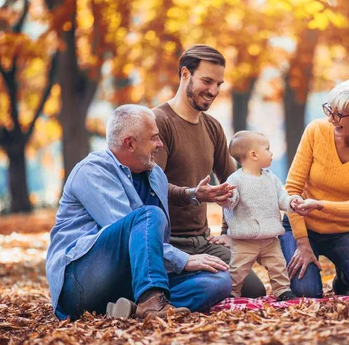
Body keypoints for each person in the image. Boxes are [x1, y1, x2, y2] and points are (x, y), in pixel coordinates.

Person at [46, 104, 232, 321]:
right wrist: (183, 260)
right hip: (79, 282)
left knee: (218, 280)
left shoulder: (156, 177)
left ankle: (133, 308)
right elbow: (130, 233)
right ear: (130, 143)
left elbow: (148, 248)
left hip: (129, 282)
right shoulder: (92, 171)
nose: (160, 144)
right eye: (154, 138)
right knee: (149, 215)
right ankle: (152, 303)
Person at [153, 44, 266, 298]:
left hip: (204, 243)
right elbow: (152, 187)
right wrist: (193, 193)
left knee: (253, 290)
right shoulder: (159, 122)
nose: (213, 91)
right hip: (167, 245)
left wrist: (228, 232)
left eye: (219, 84)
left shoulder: (212, 127)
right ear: (185, 75)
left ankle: (189, 285)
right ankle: (152, 292)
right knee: (221, 286)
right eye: (207, 81)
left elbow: (234, 183)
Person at [279, 78, 349, 297]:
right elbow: (292, 188)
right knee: (307, 293)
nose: (331, 119)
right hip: (300, 226)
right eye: (330, 110)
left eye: (339, 115)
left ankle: (344, 277)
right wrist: (302, 242)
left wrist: (319, 205)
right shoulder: (316, 130)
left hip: (342, 231)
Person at [222, 131, 302, 300]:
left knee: (278, 265)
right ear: (254, 155)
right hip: (245, 240)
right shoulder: (235, 180)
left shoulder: (271, 178)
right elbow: (230, 203)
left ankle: (282, 290)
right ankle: (232, 292)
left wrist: (292, 202)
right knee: (238, 269)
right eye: (267, 149)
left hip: (270, 238)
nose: (271, 153)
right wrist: (226, 196)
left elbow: (282, 198)